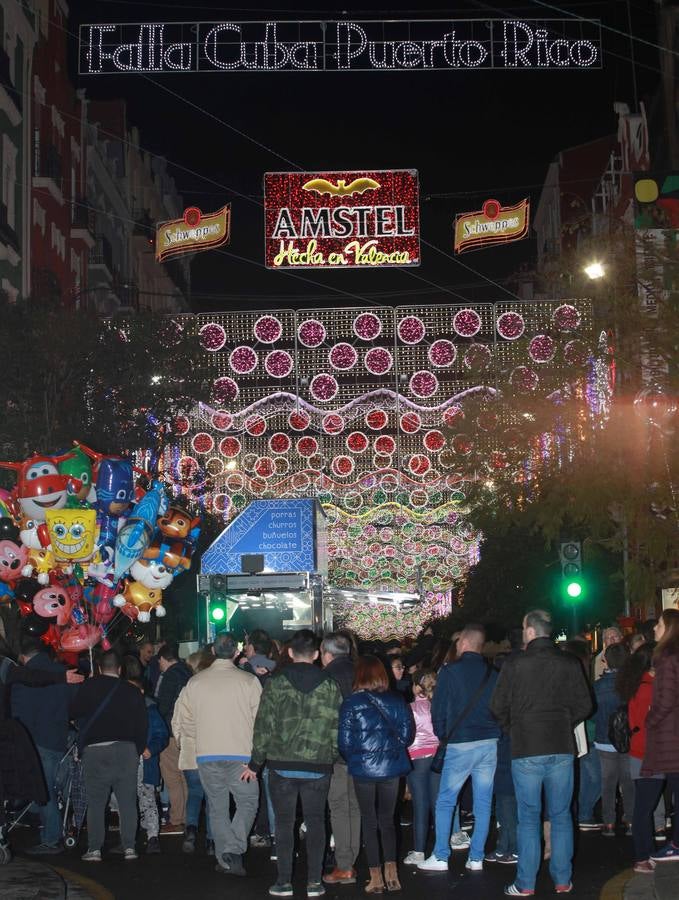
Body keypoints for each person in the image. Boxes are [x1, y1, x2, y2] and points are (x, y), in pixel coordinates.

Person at [491, 609, 592, 897]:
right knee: (561, 815)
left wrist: (515, 727)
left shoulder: (515, 664)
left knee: (529, 817)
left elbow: (497, 706)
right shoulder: (569, 662)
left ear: (531, 632)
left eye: (524, 629)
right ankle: (562, 879)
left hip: (526, 748)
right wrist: (563, 721)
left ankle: (526, 883)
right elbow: (585, 705)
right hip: (561, 747)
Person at [246, 629, 342, 899]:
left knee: (285, 824)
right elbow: (337, 726)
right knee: (316, 822)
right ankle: (314, 882)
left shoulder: (276, 682)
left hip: (282, 766)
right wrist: (331, 754)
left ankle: (284, 881)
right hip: (318, 764)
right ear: (315, 655)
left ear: (289, 652)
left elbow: (263, 725)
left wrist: (256, 762)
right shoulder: (330, 685)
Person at [172, 632, 261, 876]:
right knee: (248, 801)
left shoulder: (196, 682)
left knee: (217, 806)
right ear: (236, 653)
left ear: (213, 652)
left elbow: (184, 719)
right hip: (242, 756)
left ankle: (226, 859)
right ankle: (234, 849)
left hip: (207, 755)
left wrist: (201, 736)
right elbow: (260, 721)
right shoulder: (249, 682)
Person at [419, 624, 499, 874]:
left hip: (460, 743)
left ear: (463, 642)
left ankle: (441, 855)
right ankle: (476, 857)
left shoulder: (450, 672)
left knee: (446, 800)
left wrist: (444, 734)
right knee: (483, 802)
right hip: (488, 742)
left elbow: (438, 709)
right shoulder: (493, 672)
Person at [339, 655, 414, 893]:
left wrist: (356, 757)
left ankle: (376, 879)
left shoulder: (351, 703)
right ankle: (393, 877)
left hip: (363, 769)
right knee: (388, 821)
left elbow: (344, 742)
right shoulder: (397, 699)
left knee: (369, 822)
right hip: (392, 768)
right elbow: (408, 736)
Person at [70, 649, 148, 862]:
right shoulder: (132, 691)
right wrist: (138, 750)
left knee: (96, 802)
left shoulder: (89, 686)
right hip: (126, 750)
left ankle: (94, 849)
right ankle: (129, 847)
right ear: (120, 669)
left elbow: (72, 712)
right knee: (127, 801)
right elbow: (142, 724)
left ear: (100, 668)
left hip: (95, 751)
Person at [11, 636, 79, 855]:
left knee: (43, 791)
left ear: (24, 657)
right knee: (51, 789)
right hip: (59, 739)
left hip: (34, 740)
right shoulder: (63, 673)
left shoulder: (23, 678)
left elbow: (17, 713)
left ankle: (51, 838)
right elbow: (75, 706)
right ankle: (52, 829)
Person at [633, 610, 679, 871]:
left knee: (649, 799)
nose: (655, 629)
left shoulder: (667, 658)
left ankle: (666, 847)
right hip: (669, 740)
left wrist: (650, 719)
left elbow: (665, 700)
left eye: (659, 625)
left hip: (665, 741)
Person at [616, 644, 666, 851]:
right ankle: (643, 855)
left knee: (643, 806)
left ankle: (645, 853)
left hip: (641, 752)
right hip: (649, 754)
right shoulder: (649, 688)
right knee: (644, 808)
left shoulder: (641, 683)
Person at [321, 632, 361, 886]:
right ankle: (350, 859)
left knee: (338, 806)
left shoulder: (326, 678)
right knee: (355, 807)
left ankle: (344, 864)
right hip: (361, 751)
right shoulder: (362, 672)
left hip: (336, 752)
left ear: (327, 653)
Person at [175, 648, 214, 855]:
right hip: (212, 750)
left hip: (191, 752)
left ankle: (190, 830)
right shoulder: (215, 689)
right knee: (212, 797)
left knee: (195, 793)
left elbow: (177, 720)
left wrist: (182, 741)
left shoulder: (186, 690)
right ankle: (211, 840)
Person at [593, 643, 633, 836]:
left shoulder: (598, 686)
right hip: (629, 740)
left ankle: (609, 822)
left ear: (605, 660)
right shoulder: (632, 684)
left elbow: (591, 712)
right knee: (628, 782)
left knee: (607, 783)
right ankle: (631, 820)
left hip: (603, 739)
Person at [129, 676, 168, 854]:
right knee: (126, 799)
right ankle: (130, 835)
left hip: (144, 761)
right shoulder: (121, 710)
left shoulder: (150, 710)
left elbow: (161, 734)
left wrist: (151, 749)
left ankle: (152, 836)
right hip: (127, 760)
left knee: (147, 798)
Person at [404, 670, 439, 866]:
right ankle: (441, 849)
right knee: (437, 804)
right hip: (437, 757)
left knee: (420, 805)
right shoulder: (438, 706)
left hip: (416, 758)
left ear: (417, 686)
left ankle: (419, 851)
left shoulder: (409, 708)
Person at [156, 642, 192, 835]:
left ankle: (177, 819)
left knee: (172, 776)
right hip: (187, 732)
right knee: (185, 776)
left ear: (162, 659)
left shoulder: (169, 676)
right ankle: (187, 817)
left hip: (170, 732)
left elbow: (163, 705)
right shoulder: (188, 672)